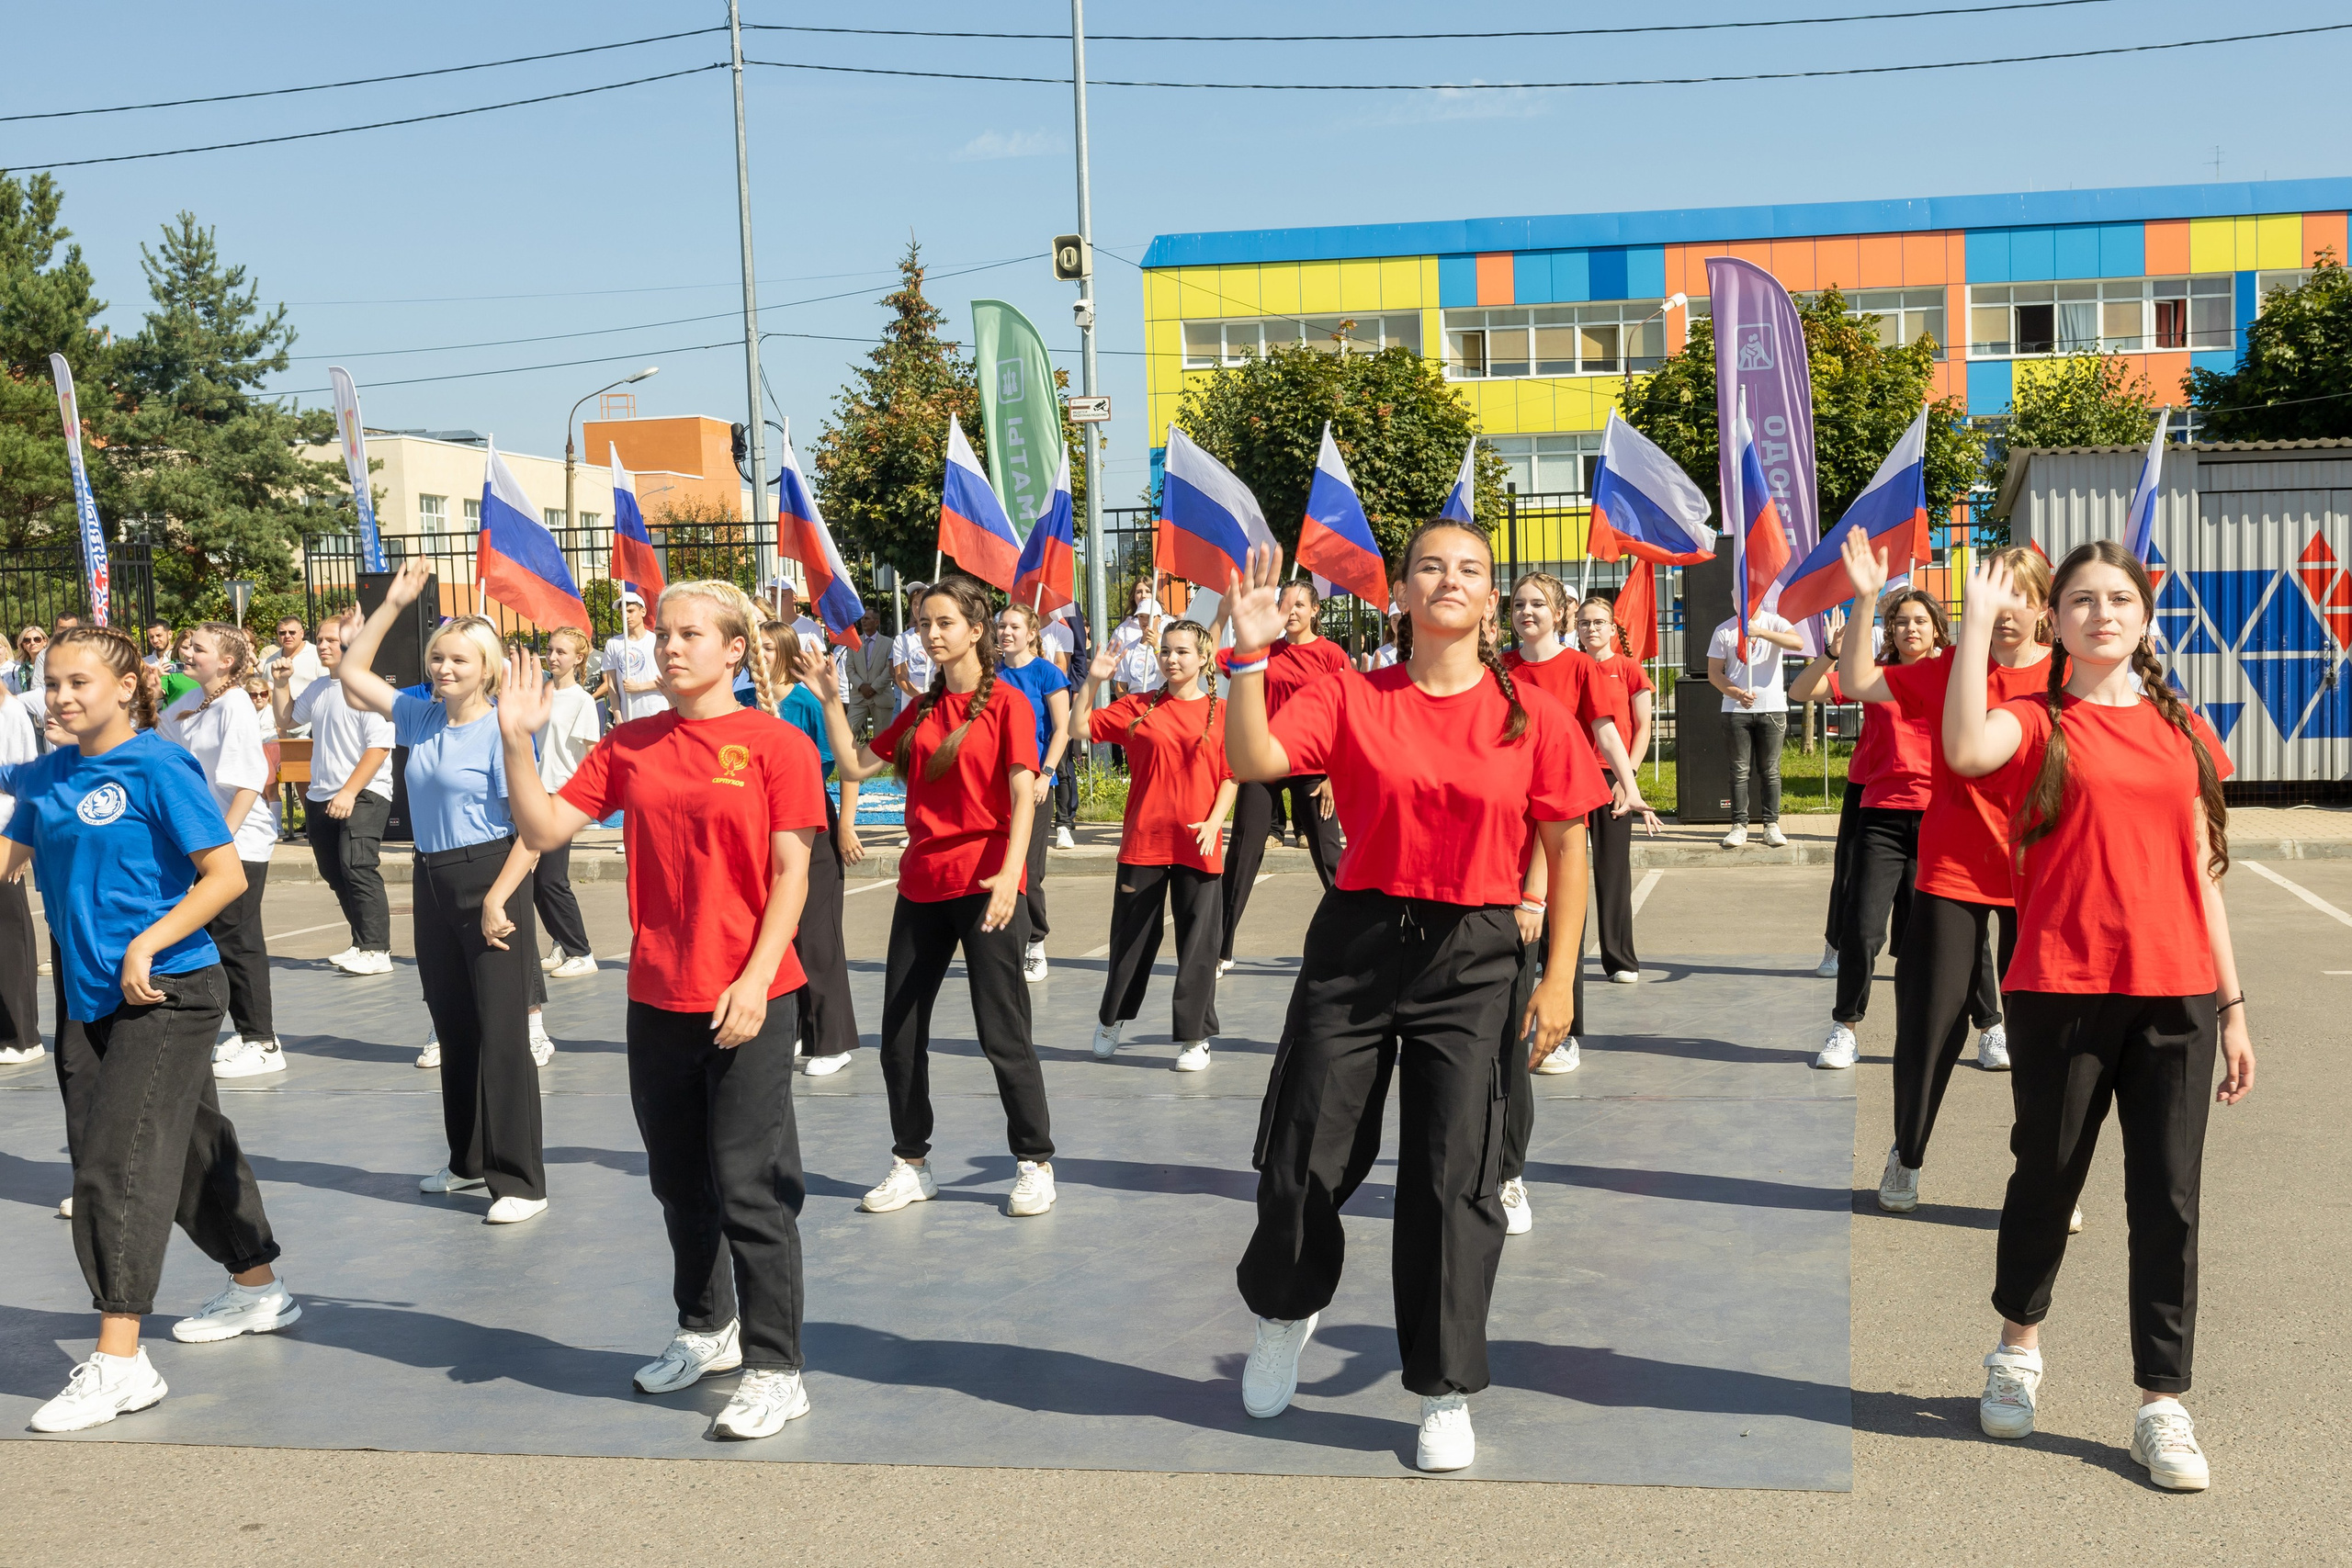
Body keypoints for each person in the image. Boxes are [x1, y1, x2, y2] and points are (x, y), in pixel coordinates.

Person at [1224, 526, 1605, 1473]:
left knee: (1452, 1177)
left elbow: (1567, 851)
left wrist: (1558, 980)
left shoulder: (1533, 717)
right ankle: (1284, 1311)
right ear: (1399, 590)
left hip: (1474, 957)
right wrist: (1244, 656)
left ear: (1490, 602)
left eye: (1470, 570)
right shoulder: (1351, 694)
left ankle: (1441, 1388)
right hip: (1356, 943)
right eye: (1430, 566)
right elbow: (1253, 759)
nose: (1450, 580)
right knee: (1301, 1151)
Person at [1942, 542, 2250, 1493]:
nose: (2101, 613)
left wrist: (2233, 1009)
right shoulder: (2032, 721)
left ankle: (2162, 1405)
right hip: (2061, 989)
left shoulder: (2184, 730)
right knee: (2047, 1174)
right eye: (2080, 600)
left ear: (2145, 616)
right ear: (2054, 620)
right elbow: (1960, 751)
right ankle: (2015, 1351)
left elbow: (2203, 874)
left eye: (2119, 598)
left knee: (2168, 1200)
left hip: (2178, 997)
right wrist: (1969, 631)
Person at [500, 581, 826, 1439]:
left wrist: (756, 980)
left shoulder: (777, 743)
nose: (670, 646)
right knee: (679, 1182)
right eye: (664, 634)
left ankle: (777, 1367)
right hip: (659, 993)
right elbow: (542, 827)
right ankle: (705, 1328)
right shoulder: (630, 743)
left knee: (750, 1185)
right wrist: (516, 743)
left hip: (751, 992)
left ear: (731, 648)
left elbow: (793, 873)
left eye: (690, 634)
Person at [6, 626, 299, 1433]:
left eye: (79, 683)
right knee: (194, 1142)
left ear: (128, 688)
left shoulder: (160, 764)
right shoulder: (47, 774)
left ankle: (121, 1360)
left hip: (167, 988)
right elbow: (7, 856)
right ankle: (258, 1285)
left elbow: (225, 873)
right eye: (52, 683)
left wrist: (148, 939)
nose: (62, 697)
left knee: (115, 1160)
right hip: (90, 994)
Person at [800, 576, 1057, 1219]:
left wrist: (1009, 874)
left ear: (976, 630)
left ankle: (1034, 1160)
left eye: (943, 622)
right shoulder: (918, 711)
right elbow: (855, 765)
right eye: (924, 624)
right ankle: (911, 1162)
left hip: (987, 886)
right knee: (899, 1034)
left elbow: (1023, 794)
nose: (931, 633)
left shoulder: (1009, 707)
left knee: (1003, 1030)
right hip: (922, 885)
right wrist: (832, 699)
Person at [1825, 538, 2053, 1226]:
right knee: (1931, 1022)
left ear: (2045, 607)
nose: (2006, 607)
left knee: (2043, 1034)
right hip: (1953, 868)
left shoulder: (2067, 677)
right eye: (1994, 590)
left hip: (2040, 871)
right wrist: (1867, 596)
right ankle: (1909, 1150)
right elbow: (1860, 679)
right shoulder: (1956, 667)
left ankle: (2042, 1173)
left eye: (2021, 593)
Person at [341, 561, 548, 1224]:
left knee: (504, 1033)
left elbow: (534, 830)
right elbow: (351, 675)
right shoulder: (418, 716)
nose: (442, 669)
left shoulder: (503, 731)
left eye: (458, 659)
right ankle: (467, 1161)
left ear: (485, 668)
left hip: (494, 877)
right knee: (454, 1029)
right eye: (436, 658)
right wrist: (394, 603)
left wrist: (498, 898)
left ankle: (520, 1180)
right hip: (431, 879)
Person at [1493, 573, 1658, 1235]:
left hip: (1564, 798)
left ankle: (1563, 1028)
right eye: (1520, 605)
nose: (1528, 613)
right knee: (1518, 923)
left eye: (1539, 605)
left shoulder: (1582, 667)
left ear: (1560, 613)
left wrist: (1629, 783)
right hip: (1507, 808)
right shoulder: (1495, 668)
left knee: (1565, 913)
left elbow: (1607, 730)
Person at [1071, 618, 1235, 1069]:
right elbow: (1079, 727)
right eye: (1165, 650)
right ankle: (1112, 1020)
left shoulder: (1219, 714)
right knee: (1131, 941)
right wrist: (1094, 680)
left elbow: (1231, 774)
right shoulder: (1138, 706)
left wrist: (1214, 823)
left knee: (1199, 945)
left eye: (1182, 651)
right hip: (1145, 840)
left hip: (1198, 844)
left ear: (1203, 658)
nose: (1171, 658)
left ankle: (1194, 1038)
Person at [1791, 590, 1945, 1069]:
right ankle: (1845, 1028)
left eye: (1921, 620)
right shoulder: (1874, 677)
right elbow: (1801, 692)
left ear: (1937, 628)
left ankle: (1988, 1027)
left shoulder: (1957, 674)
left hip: (1942, 816)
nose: (1911, 629)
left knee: (1943, 936)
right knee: (1861, 929)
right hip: (1881, 811)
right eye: (1901, 621)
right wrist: (1833, 653)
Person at [157, 624, 285, 1081]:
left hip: (238, 840)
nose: (186, 651)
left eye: (198, 648)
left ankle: (263, 1042)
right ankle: (243, 1030)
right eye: (187, 644)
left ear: (226, 662)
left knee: (237, 938)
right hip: (203, 840)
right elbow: (157, 737)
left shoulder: (234, 704)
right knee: (212, 937)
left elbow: (250, 780)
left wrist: (222, 843)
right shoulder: (193, 701)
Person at [1216, 580, 1350, 973]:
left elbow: (1347, 715)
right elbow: (1209, 659)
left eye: (1299, 605)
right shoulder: (1260, 651)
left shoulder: (1330, 654)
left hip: (1314, 767)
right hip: (1264, 763)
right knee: (1242, 853)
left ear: (1315, 611)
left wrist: (1335, 776)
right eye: (1284, 604)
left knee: (1331, 860)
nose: (1291, 612)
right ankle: (1219, 949)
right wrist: (1224, 615)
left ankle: (1353, 945)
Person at [754, 621, 862, 1078]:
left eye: (763, 647)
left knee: (817, 938)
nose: (754, 654)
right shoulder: (747, 704)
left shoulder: (806, 703)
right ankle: (797, 1027)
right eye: (751, 647)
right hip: (765, 831)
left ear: (783, 651)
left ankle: (832, 1042)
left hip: (812, 827)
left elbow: (848, 766)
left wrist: (845, 828)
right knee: (781, 933)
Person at [273, 610, 396, 976]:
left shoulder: (366, 688)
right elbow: (287, 721)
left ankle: (378, 949)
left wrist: (348, 792)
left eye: (332, 640)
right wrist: (281, 684)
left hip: (364, 793)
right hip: (322, 795)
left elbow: (378, 748)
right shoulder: (319, 687)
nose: (323, 646)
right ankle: (361, 944)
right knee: (333, 871)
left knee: (357, 866)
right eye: (321, 639)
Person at [1575, 592, 1657, 983]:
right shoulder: (1569, 666)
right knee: (1563, 870)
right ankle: (1551, 954)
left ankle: (1620, 960)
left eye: (1598, 622)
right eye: (1584, 622)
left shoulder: (1628, 669)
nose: (1591, 628)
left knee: (1612, 870)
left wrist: (1630, 780)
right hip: (1570, 776)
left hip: (1612, 778)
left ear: (1612, 628)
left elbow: (1643, 729)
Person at [994, 604, 1071, 984]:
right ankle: (1007, 940)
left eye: (1014, 626)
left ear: (1032, 633)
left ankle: (1035, 942)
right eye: (1001, 626)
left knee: (1029, 870)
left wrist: (1046, 774)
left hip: (1035, 785)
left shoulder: (1047, 674)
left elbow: (1061, 729)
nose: (1005, 632)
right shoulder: (989, 675)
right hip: (993, 788)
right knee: (998, 865)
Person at [532, 627, 601, 980]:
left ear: (578, 658)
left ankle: (581, 950)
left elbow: (592, 755)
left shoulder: (582, 701)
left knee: (551, 878)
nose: (553, 657)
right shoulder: (541, 694)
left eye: (561, 652)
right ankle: (561, 940)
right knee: (534, 882)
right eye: (550, 650)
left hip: (563, 795)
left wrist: (589, 802)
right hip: (535, 792)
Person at [1706, 607, 1803, 849]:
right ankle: (1739, 825)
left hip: (1772, 708)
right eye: (1738, 595)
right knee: (1739, 770)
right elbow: (1714, 673)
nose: (1745, 601)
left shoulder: (1776, 622)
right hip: (1736, 710)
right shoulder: (1724, 630)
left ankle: (1771, 825)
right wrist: (1736, 693)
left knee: (1770, 770)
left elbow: (1798, 643)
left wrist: (1762, 632)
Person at [0, 680, 40, 1064]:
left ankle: (23, 1036)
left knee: (10, 935)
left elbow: (25, 782)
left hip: (5, 833)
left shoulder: (12, 713)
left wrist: (20, 842)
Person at [598, 591, 665, 729]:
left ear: (643, 611)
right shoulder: (613, 644)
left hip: (657, 712)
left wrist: (639, 687)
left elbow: (668, 680)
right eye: (623, 613)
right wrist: (617, 716)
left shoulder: (656, 640)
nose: (626, 616)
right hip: (628, 717)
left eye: (631, 611)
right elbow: (612, 685)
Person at [836, 608, 895, 742]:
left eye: (867, 618)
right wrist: (862, 686)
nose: (863, 621)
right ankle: (851, 759)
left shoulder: (889, 644)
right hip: (859, 696)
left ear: (876, 622)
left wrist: (873, 688)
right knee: (848, 730)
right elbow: (849, 669)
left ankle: (879, 763)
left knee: (881, 739)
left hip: (880, 696)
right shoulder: (854, 643)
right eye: (862, 618)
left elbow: (889, 670)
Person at [1107, 579, 1169, 698]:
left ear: (1159, 618)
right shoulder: (1128, 644)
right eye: (1141, 616)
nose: (1145, 621)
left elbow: (1172, 675)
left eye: (1150, 617)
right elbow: (1120, 687)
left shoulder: (1169, 643)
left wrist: (1156, 647)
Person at [889, 583, 934, 716]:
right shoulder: (903, 639)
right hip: (912, 708)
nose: (917, 607)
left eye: (921, 602)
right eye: (914, 603)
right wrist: (920, 698)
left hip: (938, 704)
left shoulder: (940, 636)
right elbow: (901, 676)